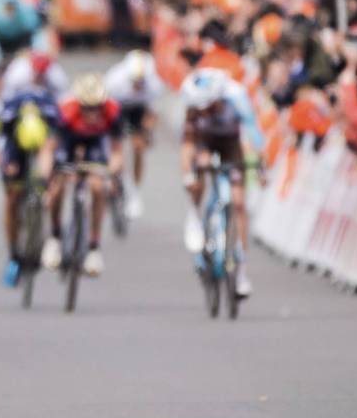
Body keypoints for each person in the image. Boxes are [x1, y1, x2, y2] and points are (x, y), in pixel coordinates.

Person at [180, 68, 265, 297]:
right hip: (205, 142)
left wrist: (261, 165)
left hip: (230, 144)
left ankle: (241, 271)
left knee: (238, 203)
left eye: (209, 107)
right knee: (199, 172)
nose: (204, 111)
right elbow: (187, 143)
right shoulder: (193, 107)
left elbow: (253, 131)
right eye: (200, 109)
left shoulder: (236, 98)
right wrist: (188, 174)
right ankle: (194, 213)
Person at [43, 73, 123, 276]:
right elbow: (49, 149)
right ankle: (55, 237)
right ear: (79, 103)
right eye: (87, 108)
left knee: (98, 188)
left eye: (97, 107)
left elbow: (116, 152)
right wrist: (46, 178)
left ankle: (94, 247)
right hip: (69, 140)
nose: (92, 113)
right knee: (57, 186)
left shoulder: (112, 112)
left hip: (96, 143)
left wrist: (112, 174)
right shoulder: (65, 111)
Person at [0, 84, 60, 287]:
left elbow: (53, 148)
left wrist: (47, 181)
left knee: (55, 183)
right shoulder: (8, 116)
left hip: (44, 139)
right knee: (12, 197)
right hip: (14, 144)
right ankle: (13, 252)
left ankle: (53, 236)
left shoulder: (51, 114)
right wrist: (7, 167)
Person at [103, 50, 162, 218]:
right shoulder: (114, 80)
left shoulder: (154, 84)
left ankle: (135, 190)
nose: (138, 84)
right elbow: (105, 112)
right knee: (117, 150)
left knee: (138, 147)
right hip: (117, 109)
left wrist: (147, 132)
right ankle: (116, 179)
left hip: (139, 110)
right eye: (135, 81)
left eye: (141, 81)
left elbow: (152, 114)